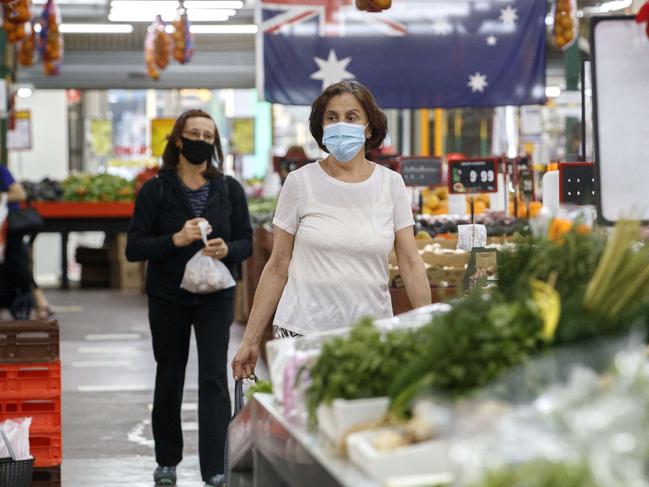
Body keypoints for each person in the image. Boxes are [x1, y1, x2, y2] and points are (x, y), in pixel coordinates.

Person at [232, 81, 431, 380]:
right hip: (302, 334)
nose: (341, 124)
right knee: (303, 424)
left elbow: (411, 261)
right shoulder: (300, 183)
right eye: (332, 117)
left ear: (368, 127)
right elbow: (277, 266)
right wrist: (250, 339)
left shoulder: (391, 185)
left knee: (361, 422)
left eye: (351, 117)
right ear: (321, 127)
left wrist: (427, 325)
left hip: (370, 336)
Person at [126, 109, 252, 487]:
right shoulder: (156, 190)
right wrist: (174, 240)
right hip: (168, 295)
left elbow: (246, 240)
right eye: (194, 133)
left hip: (216, 295)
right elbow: (134, 247)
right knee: (170, 374)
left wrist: (226, 249)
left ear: (215, 144)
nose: (202, 141)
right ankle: (167, 460)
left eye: (209, 136)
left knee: (215, 377)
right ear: (178, 140)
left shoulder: (229, 189)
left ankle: (215, 467)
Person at [0, 164, 52, 320]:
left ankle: (41, 302)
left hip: (9, 228)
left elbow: (20, 194)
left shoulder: (1, 171)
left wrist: (2, 197)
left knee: (18, 264)